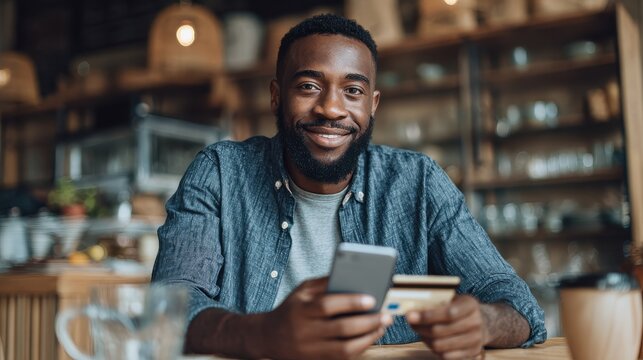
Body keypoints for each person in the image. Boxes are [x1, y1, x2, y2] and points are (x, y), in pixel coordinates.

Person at [152, 13, 546, 360]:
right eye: (308, 86)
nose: (331, 108)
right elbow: (168, 307)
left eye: (352, 91)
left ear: (372, 105)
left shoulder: (418, 182)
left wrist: (486, 322)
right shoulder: (220, 172)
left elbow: (517, 303)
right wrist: (264, 333)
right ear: (276, 97)